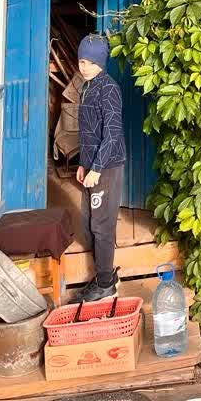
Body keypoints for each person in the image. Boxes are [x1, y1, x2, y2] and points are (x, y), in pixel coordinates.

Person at [76, 34, 127, 301]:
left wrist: (96, 168)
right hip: (92, 165)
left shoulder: (108, 89)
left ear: (101, 63)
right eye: (82, 61)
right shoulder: (87, 86)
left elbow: (112, 133)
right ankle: (103, 275)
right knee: (88, 224)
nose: (85, 67)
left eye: (91, 62)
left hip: (107, 166)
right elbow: (88, 133)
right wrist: (83, 164)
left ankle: (106, 283)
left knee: (101, 225)